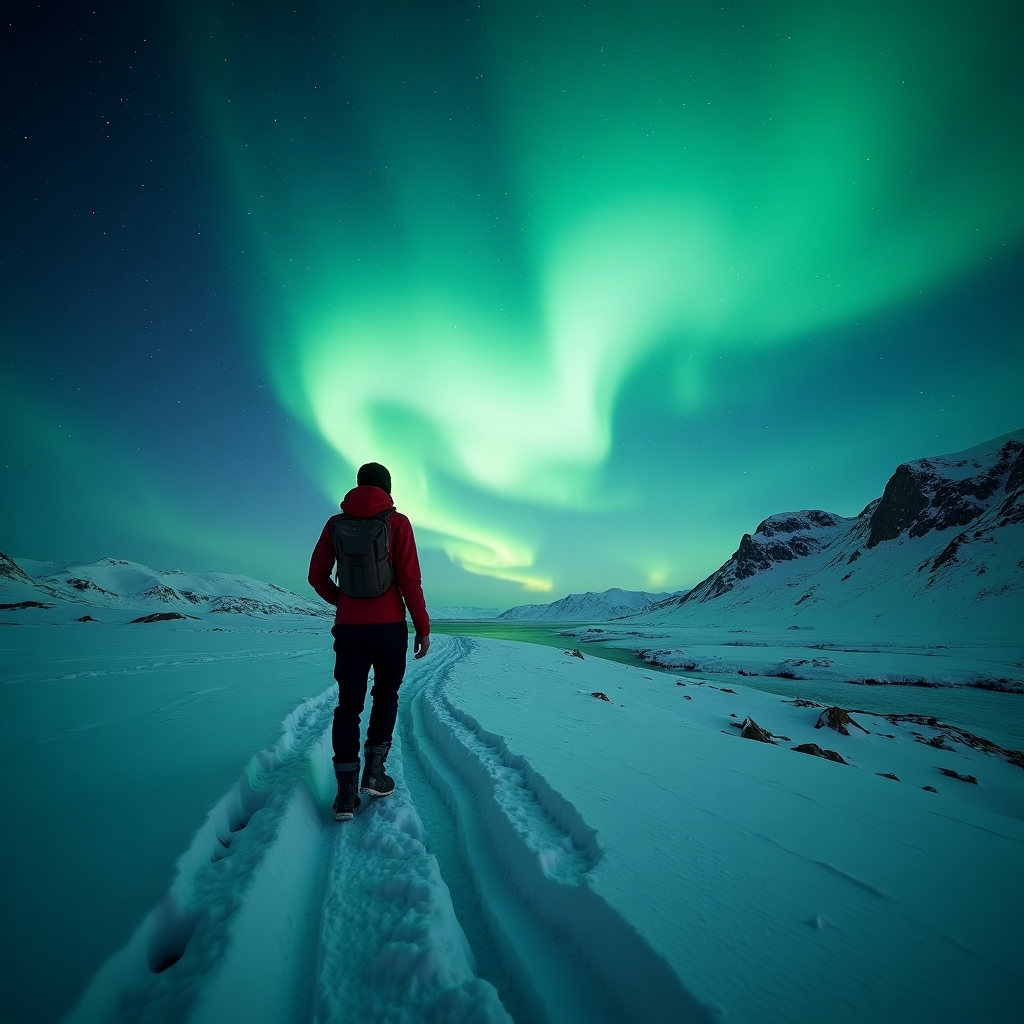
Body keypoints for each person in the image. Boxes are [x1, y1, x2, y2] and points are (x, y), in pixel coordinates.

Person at [307, 462, 430, 820]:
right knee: (386, 695)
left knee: (348, 705)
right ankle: (374, 775)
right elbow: (410, 580)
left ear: (358, 486)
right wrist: (422, 627)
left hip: (349, 628)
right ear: (387, 488)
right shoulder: (398, 522)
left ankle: (345, 795)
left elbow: (316, 576)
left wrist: (342, 601)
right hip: (390, 626)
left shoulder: (335, 524)